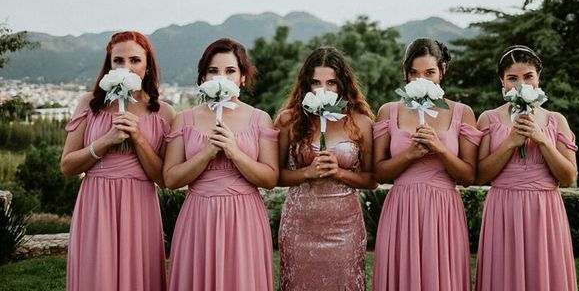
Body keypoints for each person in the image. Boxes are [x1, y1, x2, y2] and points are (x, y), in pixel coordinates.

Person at [61, 31, 176, 291]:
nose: (126, 67)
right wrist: (105, 141)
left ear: (147, 66)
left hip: (139, 204)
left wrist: (138, 138)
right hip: (96, 202)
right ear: (109, 66)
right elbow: (67, 166)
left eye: (135, 60)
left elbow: (163, 179)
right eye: (118, 61)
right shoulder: (89, 104)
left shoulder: (164, 113)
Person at [163, 38, 278, 290]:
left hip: (244, 217)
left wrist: (235, 152)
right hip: (198, 216)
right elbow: (171, 179)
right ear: (203, 77)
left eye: (230, 71)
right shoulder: (184, 119)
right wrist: (205, 154)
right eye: (213, 71)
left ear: (243, 78)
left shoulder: (260, 119)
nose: (221, 77)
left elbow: (270, 179)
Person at [373, 38, 483, 291]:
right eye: (414, 73)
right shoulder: (388, 111)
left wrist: (441, 149)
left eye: (430, 72)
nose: (421, 79)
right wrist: (410, 154)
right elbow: (378, 172)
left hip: (443, 209)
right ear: (405, 72)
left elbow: (469, 176)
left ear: (442, 70)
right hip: (401, 208)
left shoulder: (462, 112)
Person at [474, 45, 578, 291]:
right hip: (503, 209)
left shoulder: (556, 120)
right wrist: (510, 142)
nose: (521, 84)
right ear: (502, 81)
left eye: (528, 76)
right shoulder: (488, 119)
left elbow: (569, 177)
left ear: (538, 77)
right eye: (512, 78)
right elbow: (480, 176)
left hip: (545, 211)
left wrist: (541, 139)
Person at [277, 47, 376, 291]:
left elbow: (371, 179)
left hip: (345, 227)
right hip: (299, 226)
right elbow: (275, 175)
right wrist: (305, 173)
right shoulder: (288, 120)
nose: (323, 90)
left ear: (342, 85)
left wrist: (340, 172)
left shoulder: (361, 122)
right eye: (316, 82)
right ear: (306, 85)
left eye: (331, 82)